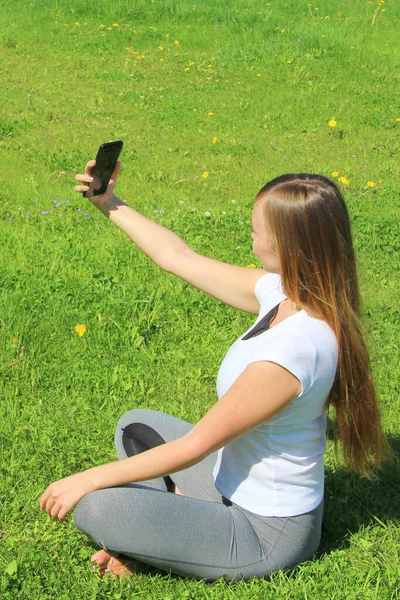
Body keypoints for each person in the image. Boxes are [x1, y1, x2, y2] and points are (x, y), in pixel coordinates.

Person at [40, 161, 387, 581]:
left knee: (95, 505)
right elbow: (178, 257)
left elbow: (196, 446)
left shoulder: (297, 348)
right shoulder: (286, 293)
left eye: (257, 230)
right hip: (229, 486)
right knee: (136, 426)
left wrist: (84, 480)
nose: (251, 235)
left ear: (288, 244)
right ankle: (177, 525)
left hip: (264, 533)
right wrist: (108, 202)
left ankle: (163, 539)